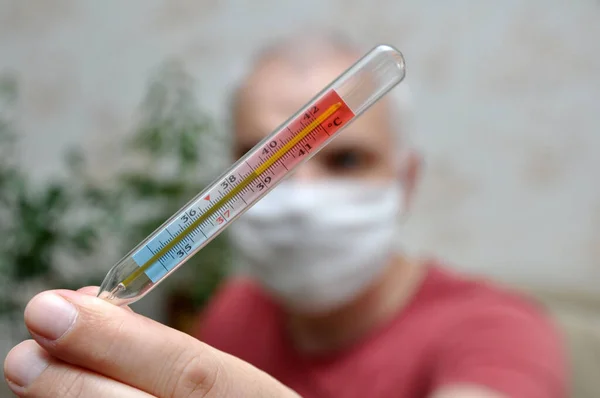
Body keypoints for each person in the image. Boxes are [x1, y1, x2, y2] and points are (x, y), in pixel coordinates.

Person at [3, 32, 566, 398]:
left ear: (406, 179)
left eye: (345, 158)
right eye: (264, 164)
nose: (301, 198)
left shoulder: (499, 331)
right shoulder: (235, 309)